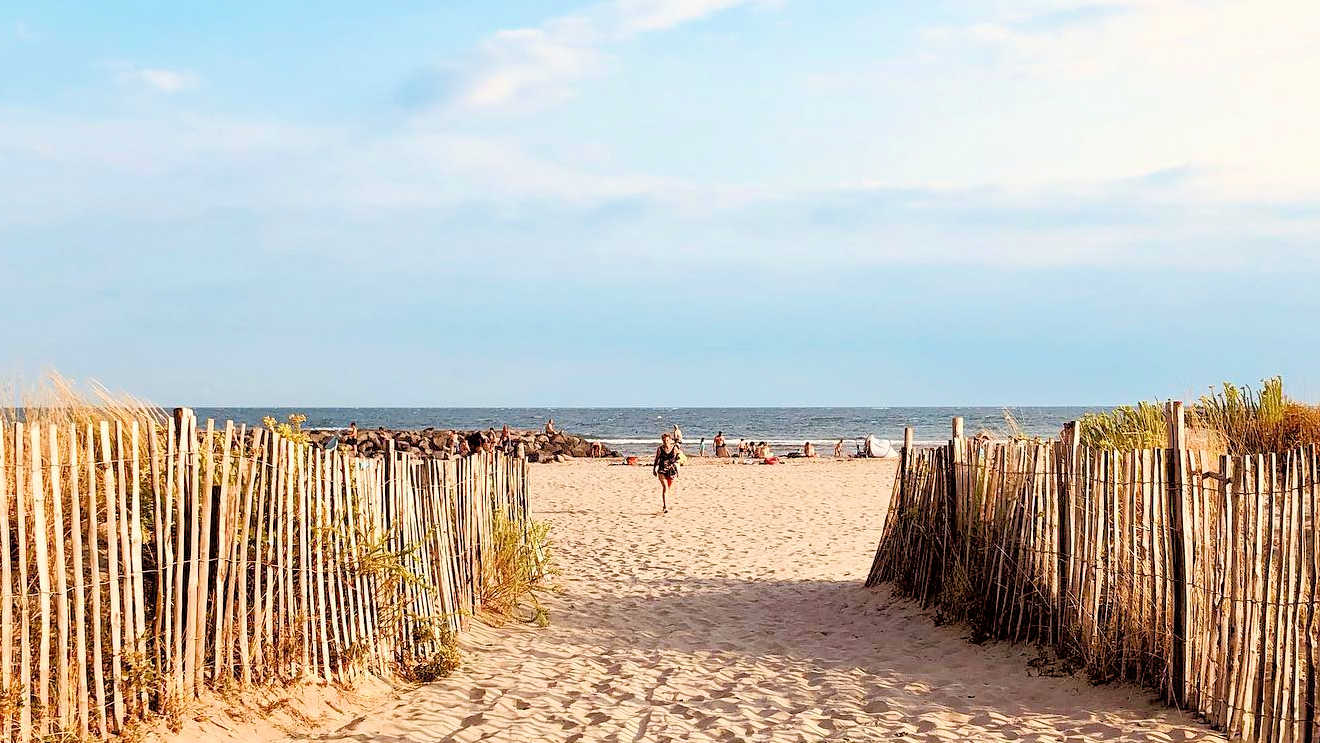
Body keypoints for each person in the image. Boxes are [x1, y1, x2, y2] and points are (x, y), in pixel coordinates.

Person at [652, 432, 681, 514]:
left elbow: (679, 457)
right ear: (662, 441)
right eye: (664, 441)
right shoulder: (660, 449)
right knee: (665, 487)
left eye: (667, 440)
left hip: (671, 471)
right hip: (661, 470)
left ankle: (665, 503)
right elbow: (656, 459)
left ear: (670, 440)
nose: (666, 442)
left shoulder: (674, 448)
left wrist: (676, 463)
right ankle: (665, 506)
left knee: (668, 489)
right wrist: (654, 469)